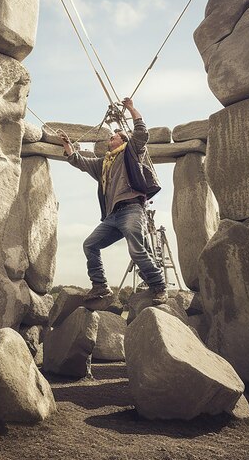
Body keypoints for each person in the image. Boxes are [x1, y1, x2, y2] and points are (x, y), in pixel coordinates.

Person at [58, 98, 168, 305]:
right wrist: (67, 145)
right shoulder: (103, 164)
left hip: (132, 209)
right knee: (90, 245)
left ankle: (159, 285)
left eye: (114, 136)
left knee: (136, 250)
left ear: (123, 140)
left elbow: (142, 133)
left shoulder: (132, 152)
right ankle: (100, 286)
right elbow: (78, 161)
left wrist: (132, 109)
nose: (110, 138)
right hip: (113, 216)